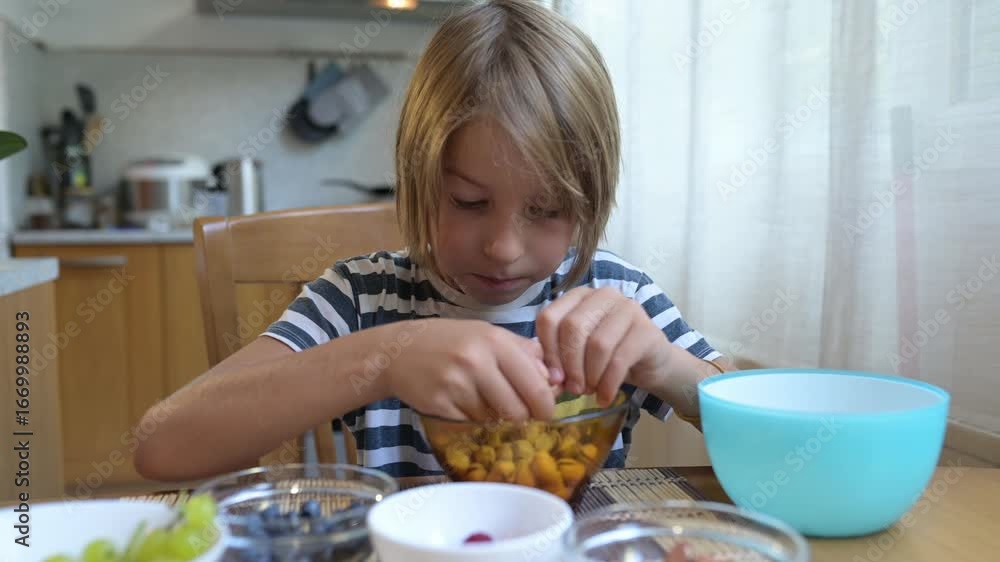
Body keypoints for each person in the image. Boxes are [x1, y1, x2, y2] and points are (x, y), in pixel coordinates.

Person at [134, 0, 729, 484]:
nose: (503, 247)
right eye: (468, 202)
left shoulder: (615, 292)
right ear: (416, 179)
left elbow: (760, 420)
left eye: (546, 210)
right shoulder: (360, 298)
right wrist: (383, 360)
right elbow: (162, 445)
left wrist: (665, 366)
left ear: (590, 202)